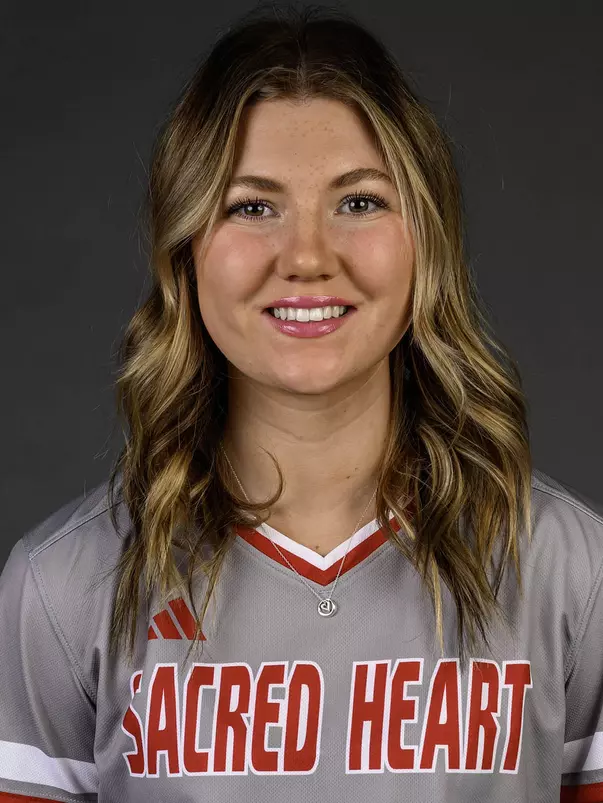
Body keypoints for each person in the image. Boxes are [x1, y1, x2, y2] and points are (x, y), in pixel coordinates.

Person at [1, 4, 602, 802]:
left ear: (427, 237)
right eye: (252, 206)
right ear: (186, 248)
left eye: (359, 201)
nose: (309, 256)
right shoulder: (64, 588)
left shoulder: (567, 572)